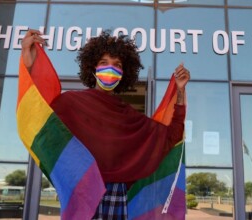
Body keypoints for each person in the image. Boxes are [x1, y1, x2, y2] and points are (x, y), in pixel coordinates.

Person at [21, 29, 190, 220]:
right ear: (93, 68)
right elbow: (37, 110)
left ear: (124, 73)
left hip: (116, 196)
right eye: (104, 63)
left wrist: (180, 91)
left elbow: (172, 135)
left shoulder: (129, 116)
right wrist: (29, 64)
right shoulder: (70, 103)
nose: (110, 69)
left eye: (117, 65)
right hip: (82, 194)